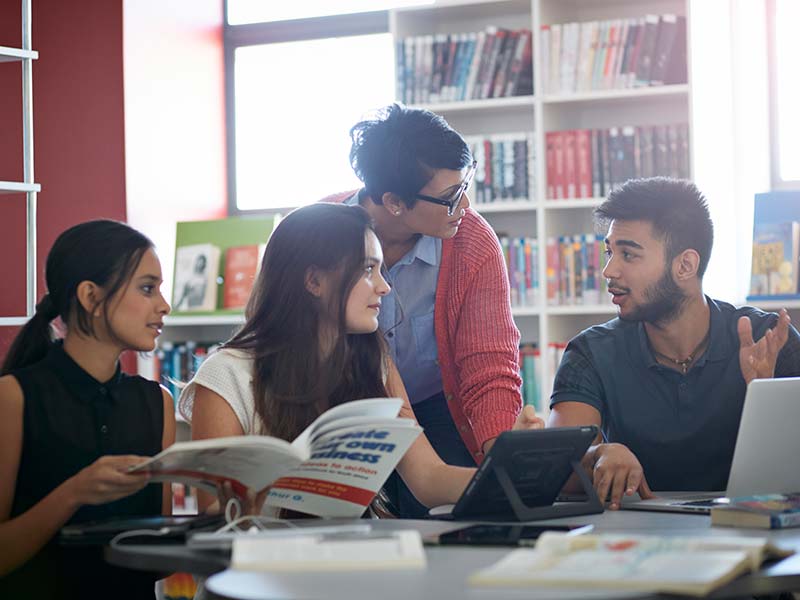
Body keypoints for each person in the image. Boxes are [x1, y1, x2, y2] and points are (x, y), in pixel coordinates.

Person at [179, 203, 537, 517]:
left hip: (347, 564)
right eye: (368, 270)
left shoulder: (373, 361)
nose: (385, 286)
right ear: (314, 281)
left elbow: (429, 478)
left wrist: (506, 471)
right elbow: (213, 515)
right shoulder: (226, 376)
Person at [322, 104, 541, 517]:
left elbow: (488, 364)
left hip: (437, 404)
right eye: (449, 198)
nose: (465, 204)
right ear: (394, 202)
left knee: (456, 516)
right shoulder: (320, 233)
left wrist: (507, 456)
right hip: (342, 407)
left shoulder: (472, 241)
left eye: (465, 184)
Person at [548, 177, 800, 509]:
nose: (609, 270)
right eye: (610, 251)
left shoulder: (766, 338)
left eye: (628, 254)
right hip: (636, 542)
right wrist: (599, 454)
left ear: (685, 265)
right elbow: (556, 466)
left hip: (749, 533)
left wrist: (762, 394)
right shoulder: (591, 352)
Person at [0, 220, 175, 599]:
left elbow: (160, 558)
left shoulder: (157, 403)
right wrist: (73, 494)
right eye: (148, 288)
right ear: (91, 297)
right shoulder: (13, 398)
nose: (164, 305)